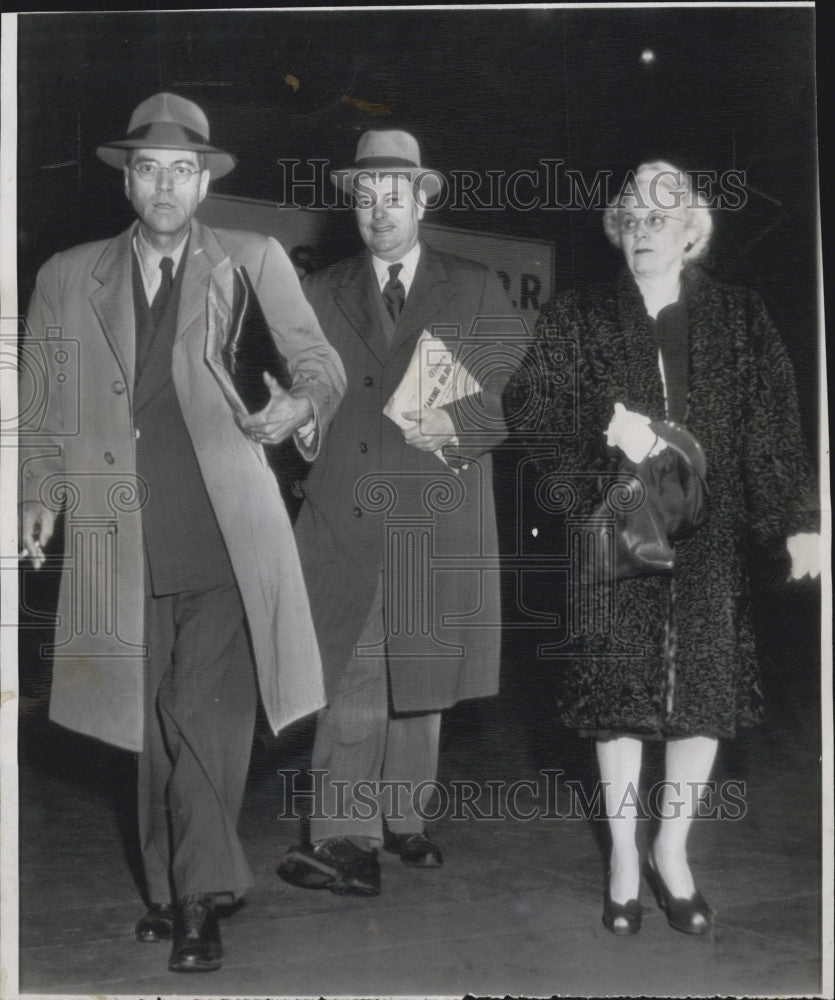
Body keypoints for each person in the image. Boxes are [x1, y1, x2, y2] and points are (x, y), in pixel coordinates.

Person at [18, 92, 345, 972]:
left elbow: (318, 362)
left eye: (182, 171)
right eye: (149, 170)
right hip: (114, 542)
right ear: (129, 181)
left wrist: (299, 407)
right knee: (146, 723)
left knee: (201, 716)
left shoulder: (251, 260)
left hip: (223, 538)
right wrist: (37, 494)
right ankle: (167, 887)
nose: (165, 186)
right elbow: (40, 404)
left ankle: (200, 897)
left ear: (204, 184)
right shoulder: (66, 274)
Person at [503, 161, 820, 935]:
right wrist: (598, 469)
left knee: (701, 698)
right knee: (615, 700)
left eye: (660, 217)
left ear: (692, 232)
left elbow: (772, 424)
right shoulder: (579, 316)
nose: (643, 230)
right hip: (616, 535)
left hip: (712, 540)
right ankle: (620, 854)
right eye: (632, 219)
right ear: (617, 231)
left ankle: (670, 852)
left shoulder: (741, 318)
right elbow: (530, 409)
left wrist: (798, 517)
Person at [276, 130, 520, 895]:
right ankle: (343, 833)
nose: (379, 213)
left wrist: (462, 424)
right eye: (364, 199)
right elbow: (305, 405)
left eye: (394, 197)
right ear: (351, 207)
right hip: (345, 510)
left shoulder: (476, 286)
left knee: (422, 675)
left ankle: (403, 819)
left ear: (422, 199)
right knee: (351, 671)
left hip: (433, 508)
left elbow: (515, 401)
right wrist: (303, 428)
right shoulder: (316, 292)